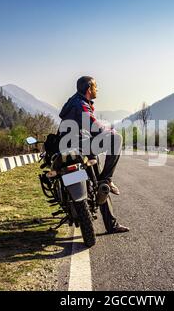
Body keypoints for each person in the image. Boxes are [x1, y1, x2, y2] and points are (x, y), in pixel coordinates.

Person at [58, 76, 129, 234]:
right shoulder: (81, 104)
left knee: (99, 184)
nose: (98, 89)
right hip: (80, 147)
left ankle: (110, 222)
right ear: (89, 89)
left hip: (69, 148)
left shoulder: (74, 102)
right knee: (116, 139)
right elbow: (93, 125)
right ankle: (107, 180)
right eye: (96, 87)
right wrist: (110, 130)